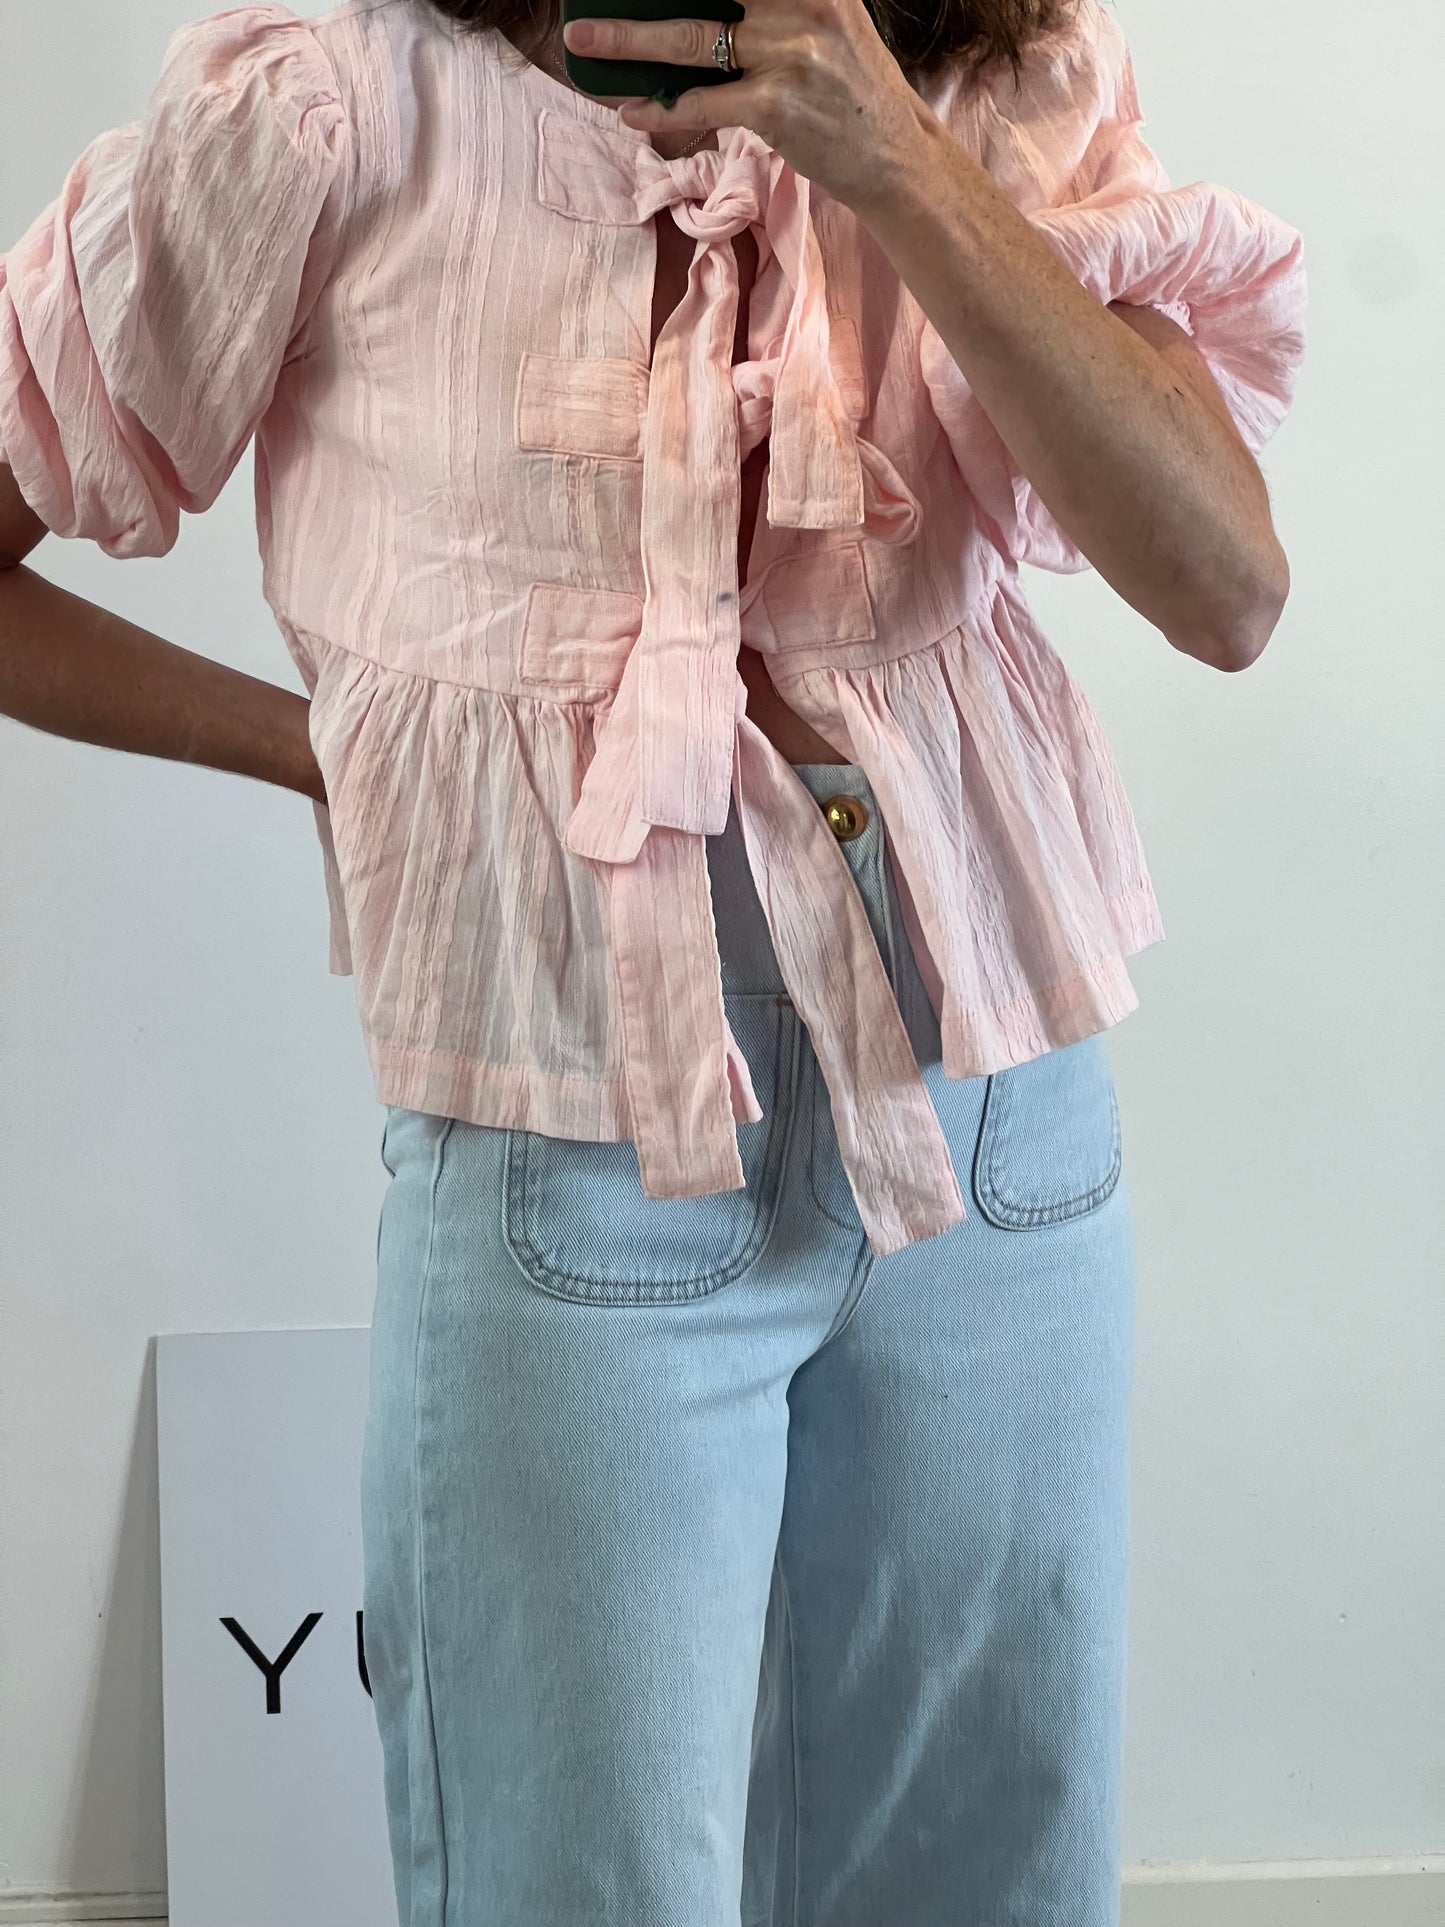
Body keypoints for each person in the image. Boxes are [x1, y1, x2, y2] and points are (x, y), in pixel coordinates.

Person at [0, 0, 1307, 1919]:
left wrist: (896, 161)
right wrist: (316, 749)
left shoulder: (996, 83)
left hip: (995, 1109)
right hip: (578, 1115)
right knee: (576, 1884)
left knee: (988, 1882)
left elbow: (1228, 589)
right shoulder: (332, 107)